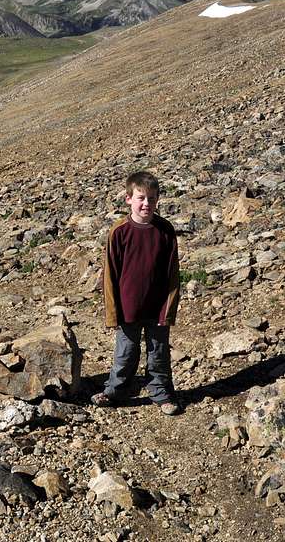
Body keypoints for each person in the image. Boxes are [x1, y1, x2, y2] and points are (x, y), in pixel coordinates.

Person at [92, 171, 181, 416]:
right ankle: (114, 393)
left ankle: (162, 395)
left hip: (157, 307)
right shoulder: (119, 231)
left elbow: (172, 272)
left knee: (159, 354)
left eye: (152, 198)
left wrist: (169, 307)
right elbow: (110, 275)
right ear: (129, 199)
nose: (146, 204)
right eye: (141, 198)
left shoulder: (164, 230)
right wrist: (113, 312)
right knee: (125, 354)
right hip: (127, 307)